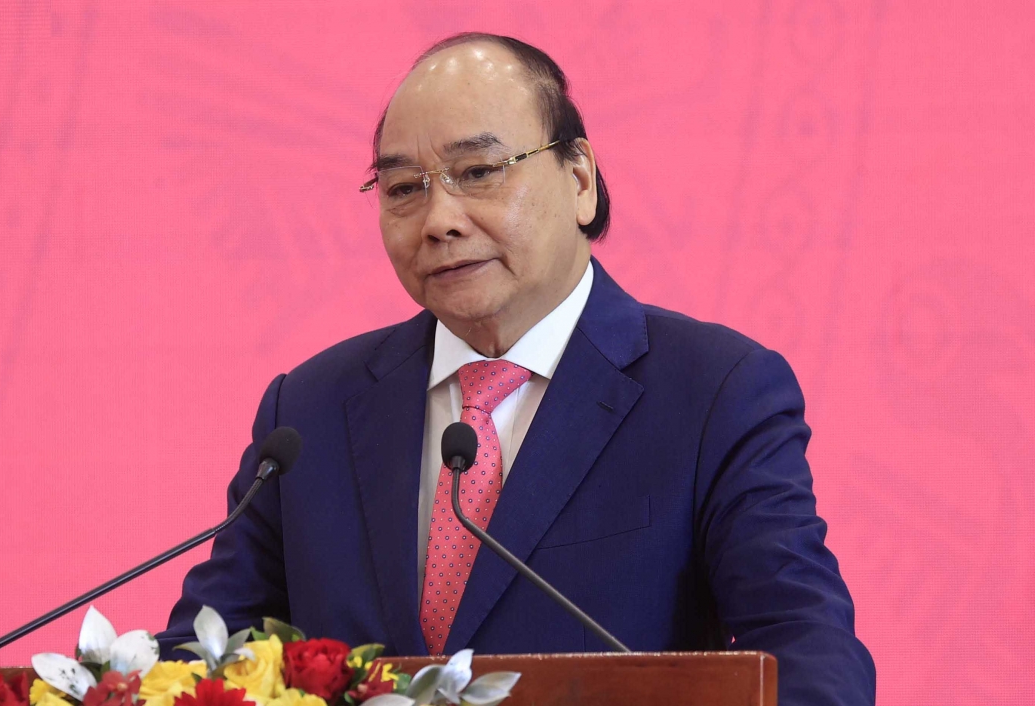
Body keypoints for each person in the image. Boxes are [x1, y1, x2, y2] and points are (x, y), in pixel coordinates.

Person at [157, 33, 875, 705]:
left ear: (580, 179)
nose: (439, 219)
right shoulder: (309, 412)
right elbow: (200, 659)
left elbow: (806, 648)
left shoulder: (715, 392)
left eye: (477, 173)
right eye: (404, 188)